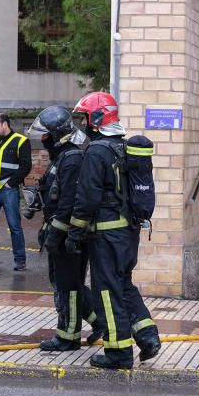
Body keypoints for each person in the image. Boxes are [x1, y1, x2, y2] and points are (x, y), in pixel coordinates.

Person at [66, 91, 161, 370]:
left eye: (84, 118)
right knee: (123, 285)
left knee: (106, 292)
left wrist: (74, 233)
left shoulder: (97, 151)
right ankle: (147, 336)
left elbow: (87, 199)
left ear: (97, 118)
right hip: (127, 233)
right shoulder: (121, 147)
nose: (82, 124)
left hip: (106, 235)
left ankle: (118, 353)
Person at [27, 105, 103, 351]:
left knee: (68, 287)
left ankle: (67, 337)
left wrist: (57, 234)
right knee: (65, 283)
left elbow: (70, 203)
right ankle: (97, 321)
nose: (43, 139)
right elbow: (56, 194)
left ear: (58, 135)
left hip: (69, 236)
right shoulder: (61, 158)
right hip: (60, 232)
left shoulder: (71, 159)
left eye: (46, 134)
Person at [0, 112, 31, 271]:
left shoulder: (21, 141)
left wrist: (11, 183)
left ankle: (20, 261)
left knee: (14, 226)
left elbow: (26, 166)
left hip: (8, 190)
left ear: (5, 124)